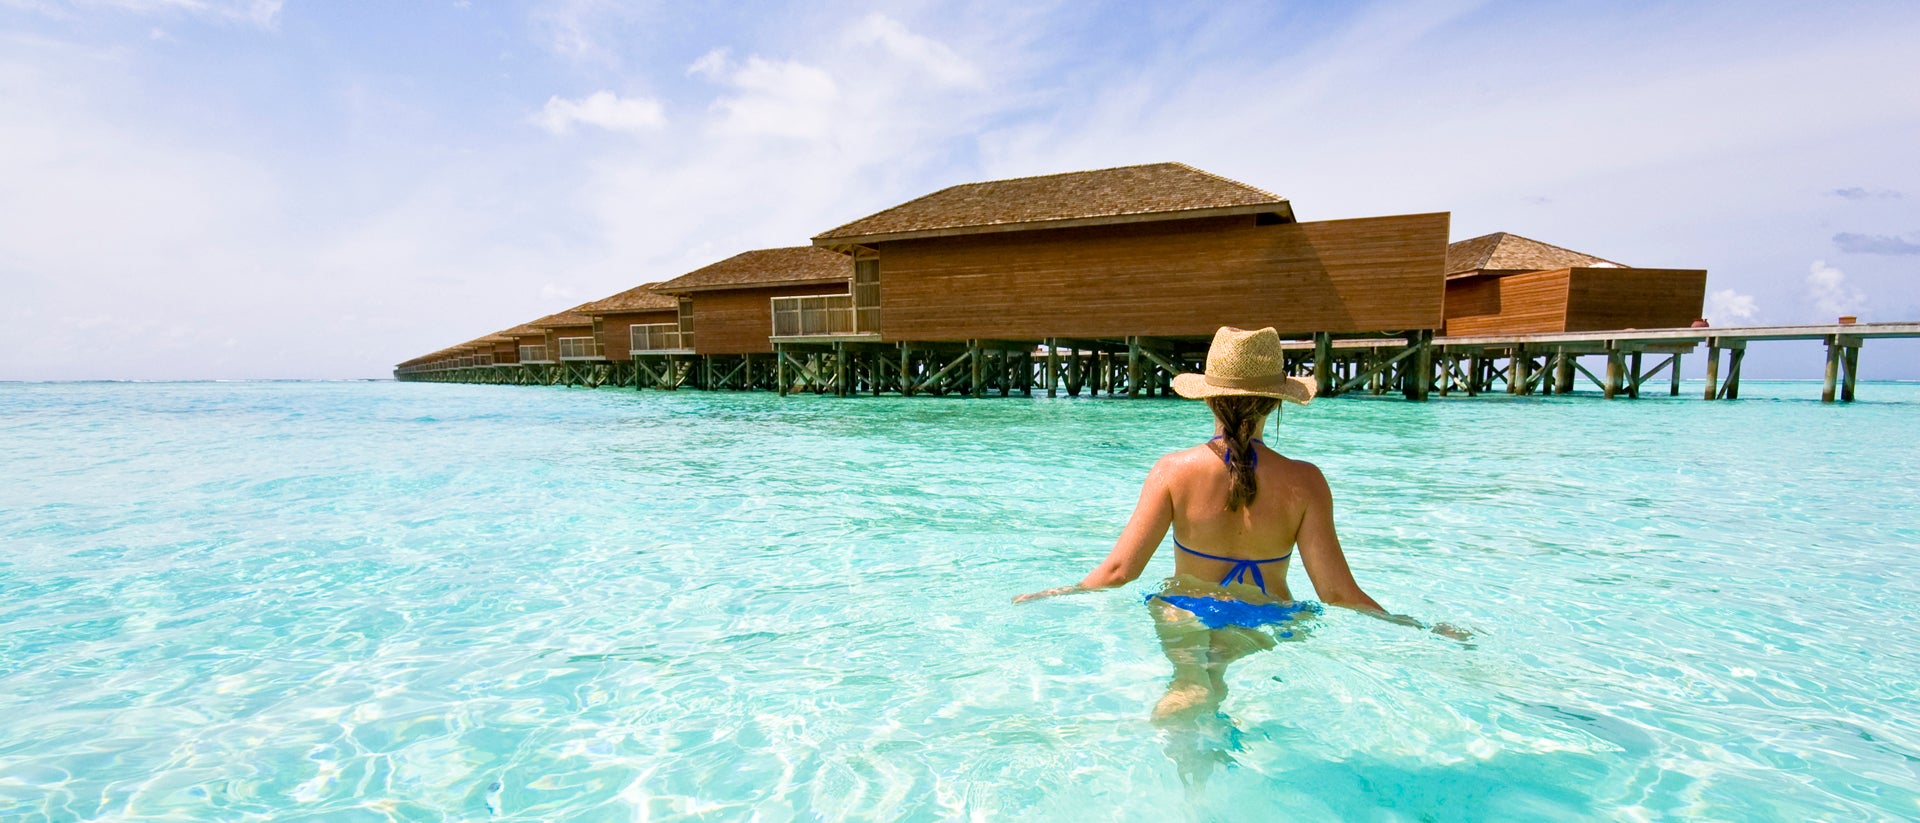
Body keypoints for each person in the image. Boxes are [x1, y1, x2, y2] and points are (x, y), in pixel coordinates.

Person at [1015, 326, 1454, 722]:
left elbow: (1119, 572)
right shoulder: (1307, 482)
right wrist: (1414, 625)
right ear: (1275, 402)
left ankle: (1188, 786)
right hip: (1268, 616)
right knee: (1226, 690)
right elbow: (1337, 593)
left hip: (1186, 609)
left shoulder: (1172, 470)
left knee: (1192, 683)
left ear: (1208, 396)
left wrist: (1055, 592)